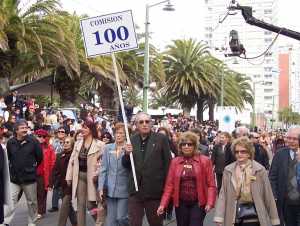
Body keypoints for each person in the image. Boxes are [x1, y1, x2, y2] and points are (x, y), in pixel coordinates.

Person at [214, 136, 280, 226]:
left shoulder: (259, 170)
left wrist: (274, 219)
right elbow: (223, 195)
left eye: (243, 151)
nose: (239, 154)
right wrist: (219, 217)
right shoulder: (228, 170)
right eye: (237, 152)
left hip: (254, 215)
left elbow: (268, 195)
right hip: (234, 215)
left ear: (249, 153)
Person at [122, 112, 172, 226]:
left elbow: (168, 165)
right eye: (141, 122)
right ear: (136, 125)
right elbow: (125, 165)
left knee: (156, 223)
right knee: (134, 223)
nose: (144, 124)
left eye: (147, 121)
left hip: (154, 191)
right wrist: (126, 154)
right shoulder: (131, 140)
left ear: (151, 123)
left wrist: (167, 189)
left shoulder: (161, 139)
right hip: (135, 191)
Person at [157, 131, 216, 226]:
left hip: (198, 203)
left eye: (190, 144)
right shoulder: (175, 162)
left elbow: (211, 185)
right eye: (183, 144)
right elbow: (169, 185)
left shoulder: (205, 161)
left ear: (195, 146)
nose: (186, 146)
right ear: (180, 147)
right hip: (181, 203)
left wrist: (210, 202)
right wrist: (163, 204)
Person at [66, 119, 105, 226]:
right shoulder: (78, 143)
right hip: (79, 176)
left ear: (91, 130)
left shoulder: (100, 145)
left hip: (93, 178)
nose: (82, 129)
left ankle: (100, 222)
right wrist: (69, 176)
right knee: (80, 204)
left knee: (90, 205)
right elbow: (71, 161)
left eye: (85, 128)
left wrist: (99, 173)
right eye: (82, 127)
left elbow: (104, 163)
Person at [5, 119, 43, 226]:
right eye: (22, 128)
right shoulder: (10, 142)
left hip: (29, 178)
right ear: (16, 130)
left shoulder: (33, 141)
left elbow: (39, 157)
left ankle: (32, 222)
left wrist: (31, 167)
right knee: (11, 200)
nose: (25, 129)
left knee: (32, 202)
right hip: (14, 179)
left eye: (26, 127)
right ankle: (5, 222)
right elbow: (8, 157)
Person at [98, 123, 129, 226]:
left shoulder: (129, 149)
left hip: (124, 190)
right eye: (117, 133)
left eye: (121, 133)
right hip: (110, 190)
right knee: (111, 222)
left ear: (126, 135)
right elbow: (103, 169)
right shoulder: (108, 148)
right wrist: (101, 187)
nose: (118, 135)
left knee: (121, 218)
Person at [269, 127, 300, 226]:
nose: (291, 141)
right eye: (289, 138)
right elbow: (272, 177)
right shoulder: (280, 154)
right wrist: (274, 195)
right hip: (286, 202)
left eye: (294, 139)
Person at [50, 137, 77, 226]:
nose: (65, 144)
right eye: (64, 142)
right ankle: (76, 223)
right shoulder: (60, 155)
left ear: (72, 144)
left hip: (71, 185)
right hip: (62, 185)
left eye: (68, 142)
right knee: (68, 208)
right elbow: (55, 170)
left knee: (64, 206)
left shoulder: (75, 156)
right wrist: (51, 183)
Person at [34, 129, 56, 219]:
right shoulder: (31, 146)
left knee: (42, 193)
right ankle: (35, 210)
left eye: (43, 136)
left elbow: (52, 162)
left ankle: (40, 211)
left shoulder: (49, 148)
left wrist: (51, 176)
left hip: (43, 173)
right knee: (33, 193)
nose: (41, 138)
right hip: (32, 173)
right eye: (39, 136)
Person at [49, 127, 66, 213]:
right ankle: (54, 206)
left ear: (65, 133)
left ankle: (65, 205)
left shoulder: (67, 141)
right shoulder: (53, 142)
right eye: (59, 131)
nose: (60, 133)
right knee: (55, 185)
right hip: (55, 165)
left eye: (62, 131)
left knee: (63, 186)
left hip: (64, 165)